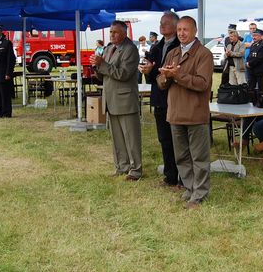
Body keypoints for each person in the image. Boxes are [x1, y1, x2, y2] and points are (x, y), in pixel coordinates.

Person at [156, 16, 213, 209]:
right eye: (179, 29)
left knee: (199, 157)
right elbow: (160, 82)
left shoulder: (204, 54)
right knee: (181, 156)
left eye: (185, 30)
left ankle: (200, 194)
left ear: (195, 31)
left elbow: (202, 83)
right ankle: (189, 189)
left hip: (195, 113)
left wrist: (177, 75)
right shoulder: (172, 53)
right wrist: (165, 77)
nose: (181, 33)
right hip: (176, 113)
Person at [89, 20, 142, 181]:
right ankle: (122, 166)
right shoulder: (109, 48)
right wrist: (96, 67)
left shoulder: (130, 49)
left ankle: (136, 170)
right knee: (117, 137)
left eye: (115, 32)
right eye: (111, 32)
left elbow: (123, 74)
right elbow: (104, 74)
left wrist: (102, 64)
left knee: (131, 137)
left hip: (125, 99)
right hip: (111, 99)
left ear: (124, 33)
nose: (112, 35)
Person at [140, 12, 181, 189]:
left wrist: (157, 71)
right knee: (164, 139)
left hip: (176, 98)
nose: (161, 26)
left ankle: (182, 176)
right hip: (159, 98)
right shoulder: (157, 46)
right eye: (160, 23)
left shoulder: (181, 46)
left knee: (178, 140)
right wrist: (147, 71)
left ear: (174, 25)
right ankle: (170, 176)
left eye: (165, 23)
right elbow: (151, 74)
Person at [246, 28, 263, 94]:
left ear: (261, 36)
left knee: (260, 88)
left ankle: (260, 101)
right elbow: (250, 55)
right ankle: (251, 99)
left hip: (259, 70)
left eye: (256, 35)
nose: (254, 37)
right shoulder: (253, 44)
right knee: (251, 87)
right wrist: (247, 62)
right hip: (252, 70)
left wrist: (250, 63)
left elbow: (259, 58)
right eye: (253, 35)